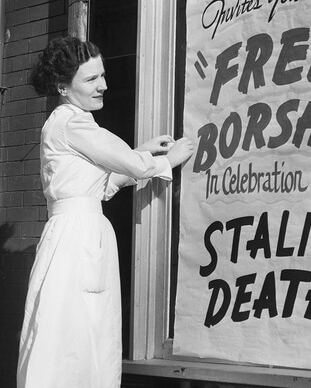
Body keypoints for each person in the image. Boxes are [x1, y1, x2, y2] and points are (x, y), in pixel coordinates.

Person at [16, 36, 194, 388]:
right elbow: (132, 165)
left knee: (80, 331)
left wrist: (144, 151)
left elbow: (102, 183)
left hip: (78, 233)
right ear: (63, 86)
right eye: (91, 78)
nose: (104, 85)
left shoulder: (67, 124)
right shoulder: (73, 123)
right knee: (73, 332)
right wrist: (165, 161)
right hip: (77, 239)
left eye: (103, 75)